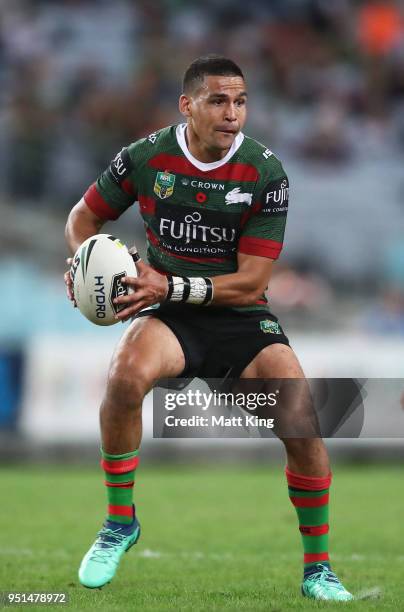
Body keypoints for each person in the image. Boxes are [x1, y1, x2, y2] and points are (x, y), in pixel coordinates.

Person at [64, 55, 353, 601]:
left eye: (240, 101)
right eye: (219, 101)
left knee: (301, 422)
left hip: (240, 316)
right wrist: (86, 262)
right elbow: (82, 219)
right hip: (170, 317)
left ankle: (319, 569)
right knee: (124, 377)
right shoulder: (146, 158)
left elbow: (251, 282)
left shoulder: (266, 173)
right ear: (188, 105)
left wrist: (168, 286)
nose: (232, 113)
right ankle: (119, 522)